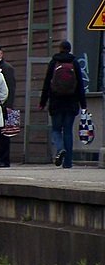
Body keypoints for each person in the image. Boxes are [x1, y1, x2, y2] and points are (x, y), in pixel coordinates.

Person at [39, 40, 87, 169]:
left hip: (56, 102)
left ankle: (60, 149)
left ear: (60, 49)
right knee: (68, 131)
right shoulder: (74, 63)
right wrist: (83, 104)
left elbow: (47, 83)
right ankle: (68, 163)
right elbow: (80, 85)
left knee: (55, 130)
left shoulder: (54, 62)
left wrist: (42, 102)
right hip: (71, 103)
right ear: (69, 49)